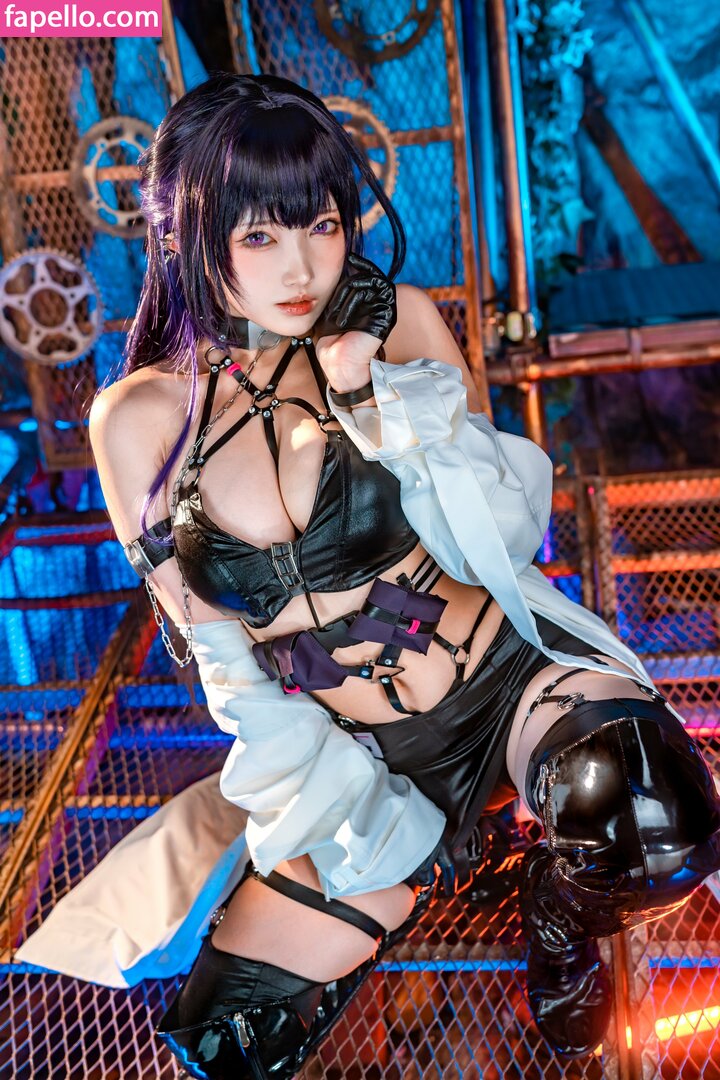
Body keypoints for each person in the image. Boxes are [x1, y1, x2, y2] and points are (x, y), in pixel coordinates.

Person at [78, 71, 720, 1078]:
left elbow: (502, 532)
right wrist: (339, 810)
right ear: (187, 238)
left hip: (508, 687)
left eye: (323, 225)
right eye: (259, 236)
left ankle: (559, 909)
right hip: (367, 759)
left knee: (652, 817)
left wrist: (369, 389)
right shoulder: (137, 420)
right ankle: (465, 851)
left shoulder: (400, 325)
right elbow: (220, 656)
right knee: (227, 1040)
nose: (302, 267)